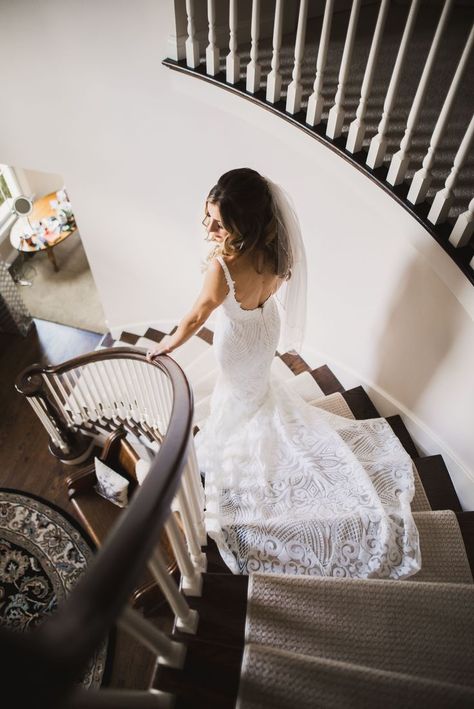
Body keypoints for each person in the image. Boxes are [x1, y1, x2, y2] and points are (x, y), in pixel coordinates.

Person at [147, 168, 421, 580]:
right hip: (264, 329)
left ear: (244, 224)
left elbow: (198, 314)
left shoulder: (223, 267)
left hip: (238, 343)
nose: (209, 228)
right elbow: (274, 284)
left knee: (240, 393)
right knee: (253, 392)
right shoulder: (276, 249)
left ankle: (244, 452)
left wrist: (166, 344)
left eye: (218, 222)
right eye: (207, 216)